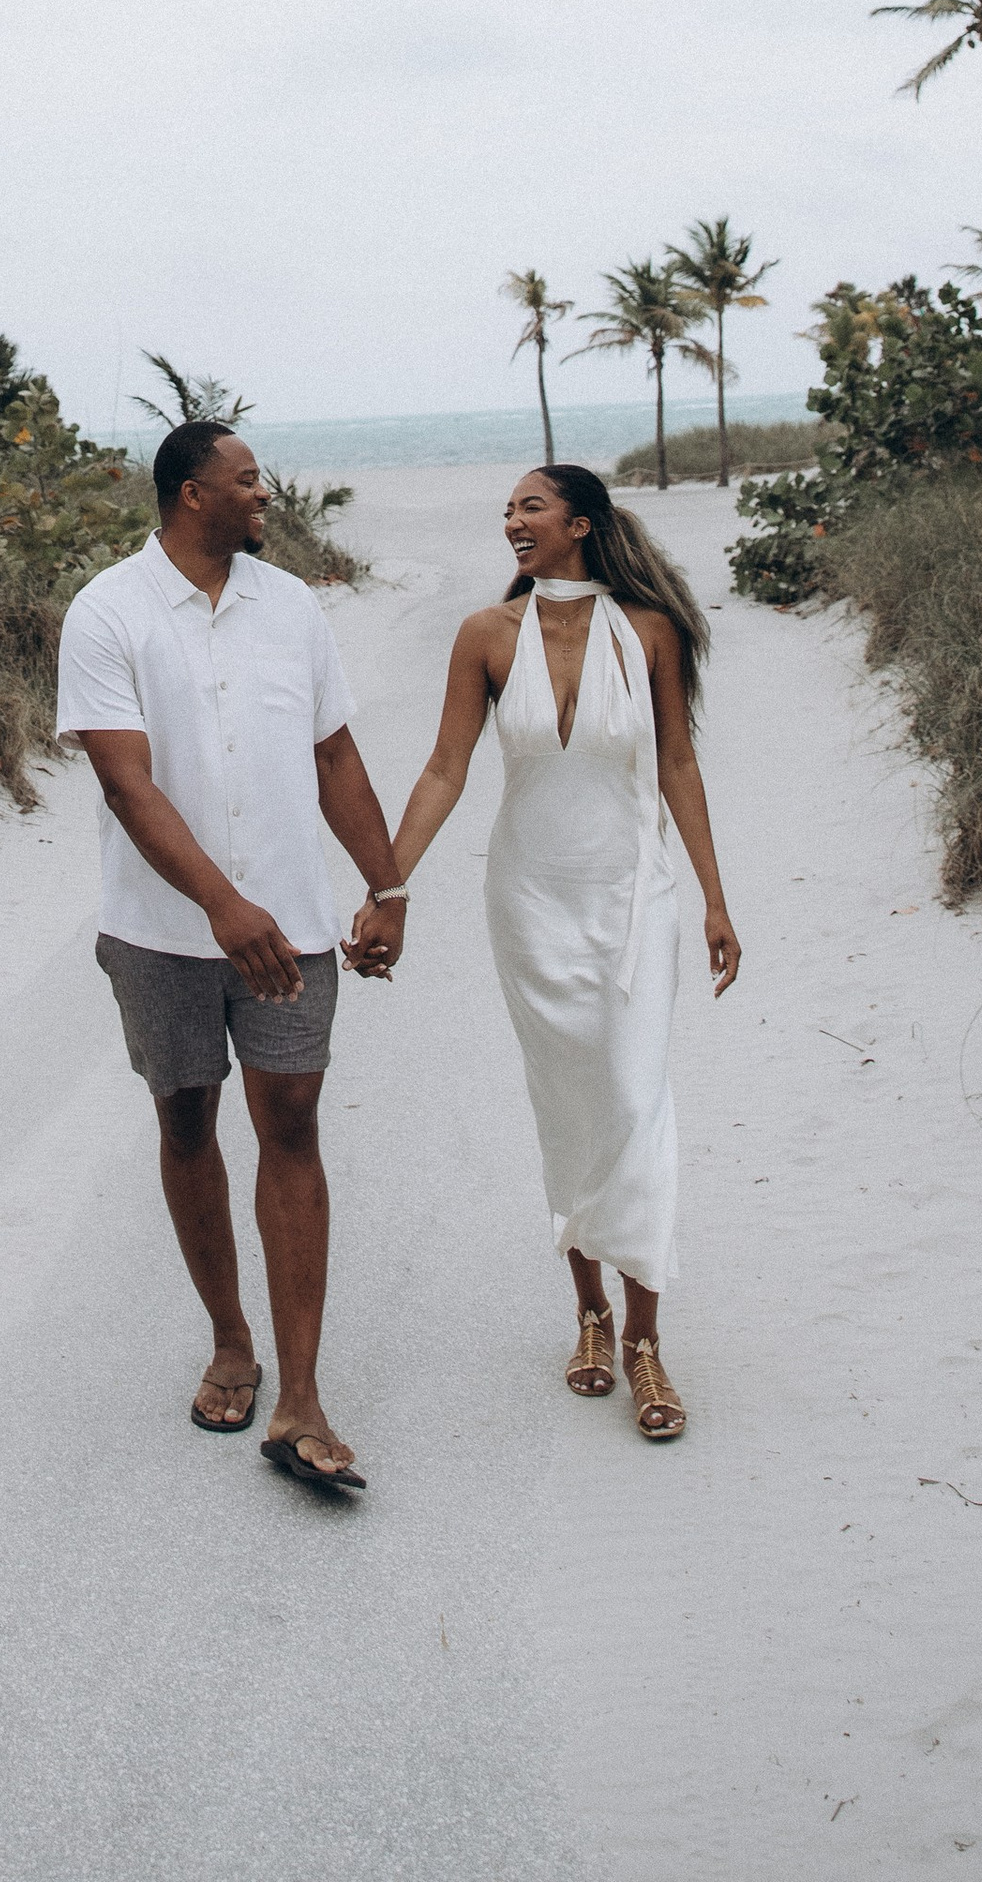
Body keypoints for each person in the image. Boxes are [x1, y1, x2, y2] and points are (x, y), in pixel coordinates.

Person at [350, 462, 739, 1442]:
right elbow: (445, 766)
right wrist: (386, 886)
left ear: (579, 522)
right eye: (507, 511)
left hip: (631, 897)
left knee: (636, 1098)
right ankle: (592, 1315)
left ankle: (648, 1342)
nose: (512, 522)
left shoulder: (645, 632)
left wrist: (713, 901)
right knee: (567, 1105)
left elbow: (678, 765)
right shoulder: (485, 635)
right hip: (528, 898)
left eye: (529, 506)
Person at [57, 419, 405, 1496]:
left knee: (291, 1125)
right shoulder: (107, 610)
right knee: (184, 1117)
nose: (262, 493)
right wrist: (219, 906)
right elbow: (126, 781)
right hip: (160, 932)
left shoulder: (291, 605)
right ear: (189, 494)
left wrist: (385, 883)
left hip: (293, 926)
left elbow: (332, 749)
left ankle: (299, 1393)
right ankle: (228, 1339)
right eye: (244, 479)